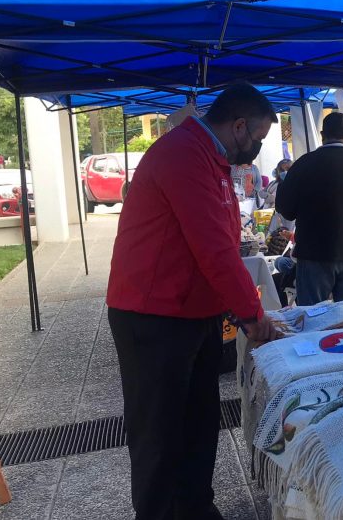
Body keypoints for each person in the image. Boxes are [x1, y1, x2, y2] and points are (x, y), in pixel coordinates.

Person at [106, 83, 279, 520]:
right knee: (160, 434)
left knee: (200, 425)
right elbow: (214, 250)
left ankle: (196, 507)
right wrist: (254, 317)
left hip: (194, 313)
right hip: (153, 316)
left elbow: (222, 240)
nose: (257, 148)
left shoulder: (214, 159)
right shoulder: (183, 154)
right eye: (257, 137)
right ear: (238, 126)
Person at [275, 112, 343, 305]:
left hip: (314, 254)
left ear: (323, 134)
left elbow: (285, 209)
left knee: (314, 320)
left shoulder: (303, 164)